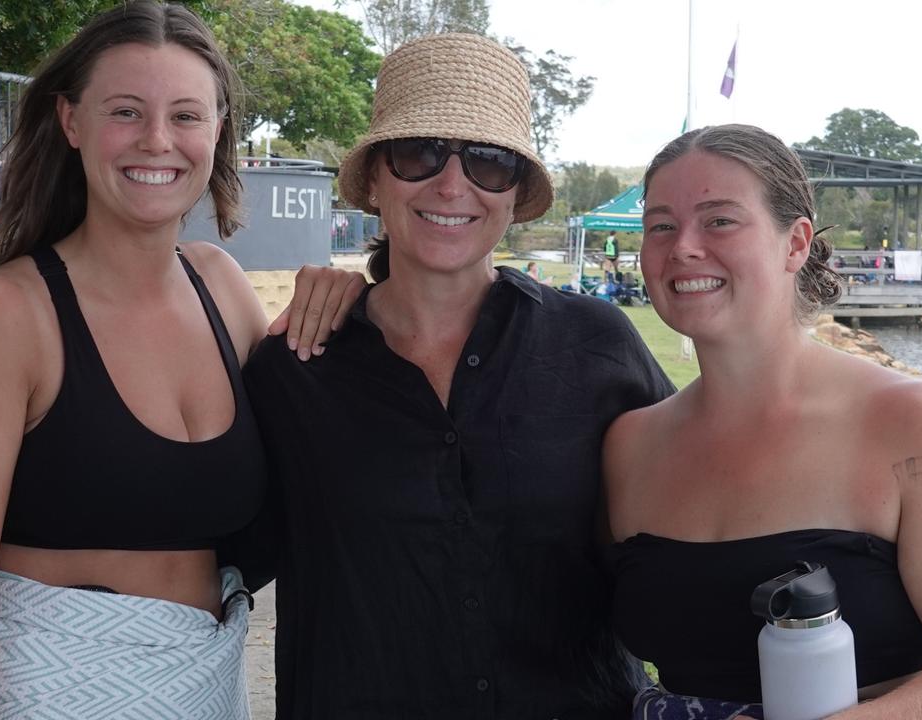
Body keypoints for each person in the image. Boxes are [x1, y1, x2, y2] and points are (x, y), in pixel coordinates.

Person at [0, 3, 361, 718]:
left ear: (217, 132)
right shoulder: (3, 315)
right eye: (125, 111)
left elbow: (326, 432)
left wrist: (352, 301)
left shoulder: (221, 287)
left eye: (186, 115)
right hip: (47, 691)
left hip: (209, 690)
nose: (156, 140)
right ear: (71, 121)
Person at [233, 33, 674, 719]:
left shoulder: (597, 346)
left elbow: (701, 520)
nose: (451, 184)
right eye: (419, 154)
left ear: (517, 192)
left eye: (489, 164)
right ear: (375, 180)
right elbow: (206, 544)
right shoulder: (295, 368)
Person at [604, 125, 922, 719]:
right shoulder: (632, 446)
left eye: (720, 220)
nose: (683, 246)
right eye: (661, 225)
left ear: (796, 242)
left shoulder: (911, 424)